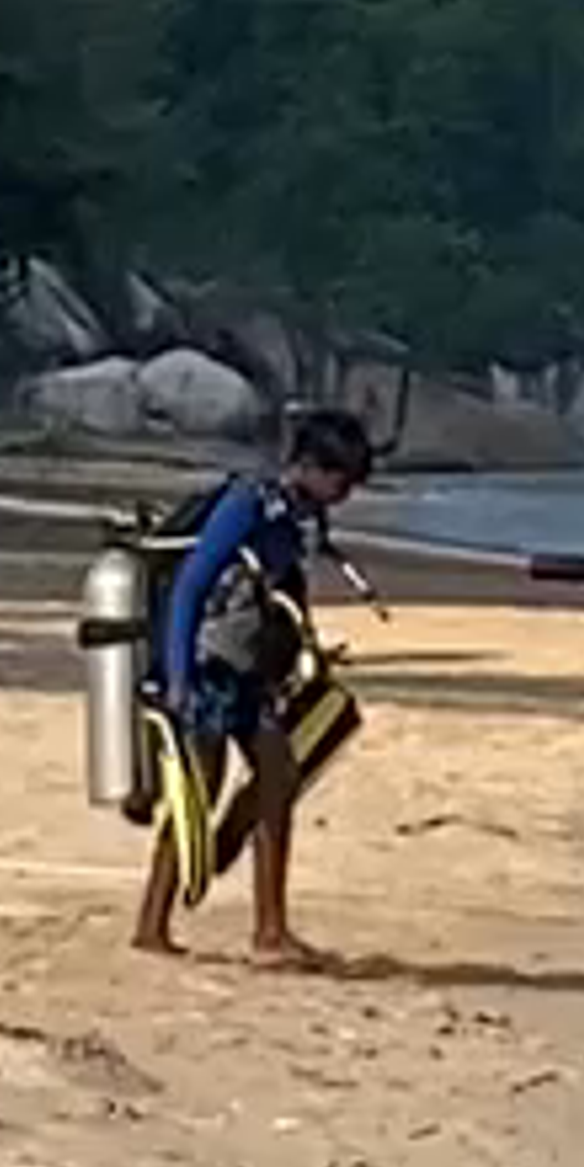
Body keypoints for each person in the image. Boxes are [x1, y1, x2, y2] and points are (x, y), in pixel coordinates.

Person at [134, 405, 377, 970]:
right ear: (312, 465)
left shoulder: (301, 515)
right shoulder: (249, 502)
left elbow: (287, 590)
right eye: (342, 479)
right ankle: (152, 924)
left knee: (278, 776)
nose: (346, 492)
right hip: (210, 665)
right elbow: (192, 586)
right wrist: (176, 677)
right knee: (200, 789)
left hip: (253, 670)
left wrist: (307, 653)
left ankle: (270, 929)